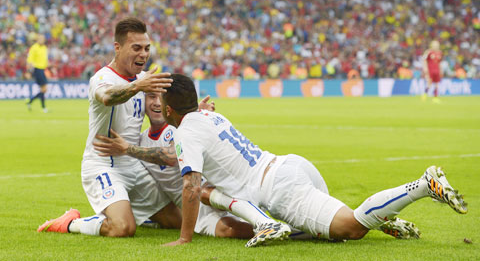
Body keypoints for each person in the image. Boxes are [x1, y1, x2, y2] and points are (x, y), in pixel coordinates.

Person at [160, 74, 467, 247]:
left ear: (169, 109)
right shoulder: (211, 115)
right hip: (289, 165)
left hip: (278, 188)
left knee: (352, 227)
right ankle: (385, 217)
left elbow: (191, 185)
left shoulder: (186, 131)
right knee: (330, 235)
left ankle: (423, 185)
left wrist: (185, 238)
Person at [37, 17, 179, 237]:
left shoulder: (143, 78)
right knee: (123, 228)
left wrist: (194, 111)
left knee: (176, 221)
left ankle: (133, 211)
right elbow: (107, 97)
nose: (143, 54)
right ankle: (70, 223)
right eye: (136, 48)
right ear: (118, 47)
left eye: (147, 48)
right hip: (103, 165)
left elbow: (160, 113)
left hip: (134, 164)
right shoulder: (103, 78)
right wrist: (137, 86)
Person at [93, 91, 256, 239]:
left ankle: (268, 226)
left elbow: (170, 155)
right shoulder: (141, 141)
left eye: (161, 98)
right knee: (228, 230)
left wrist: (196, 114)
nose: (157, 102)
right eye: (151, 97)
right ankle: (267, 228)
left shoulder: (179, 129)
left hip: (210, 192)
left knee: (220, 204)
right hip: (193, 212)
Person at [26, 34, 49, 113]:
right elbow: (30, 60)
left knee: (43, 89)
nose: (42, 40)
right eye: (40, 39)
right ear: (37, 39)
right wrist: (28, 71)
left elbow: (45, 59)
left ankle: (30, 102)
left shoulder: (45, 48)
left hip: (43, 69)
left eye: (43, 39)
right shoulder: (34, 48)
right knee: (44, 89)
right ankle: (43, 107)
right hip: (37, 69)